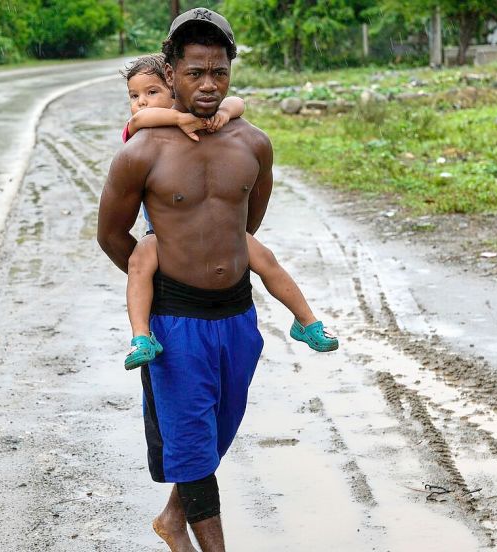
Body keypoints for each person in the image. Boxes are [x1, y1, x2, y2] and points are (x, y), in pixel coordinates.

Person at [98, 8, 321, 551]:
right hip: (176, 325)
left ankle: (173, 519)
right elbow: (110, 235)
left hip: (238, 317)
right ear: (170, 73)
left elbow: (247, 223)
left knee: (218, 432)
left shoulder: (254, 143)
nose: (208, 84)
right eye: (195, 72)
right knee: (194, 447)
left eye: (218, 71)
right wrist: (160, 268)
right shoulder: (141, 152)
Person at [118, 54, 337, 371]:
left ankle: (306, 320)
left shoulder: (206, 122)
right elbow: (138, 121)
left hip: (222, 232)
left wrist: (222, 112)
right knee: (140, 262)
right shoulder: (144, 134)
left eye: (151, 92)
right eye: (134, 96)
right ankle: (141, 336)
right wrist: (178, 120)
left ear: (176, 90)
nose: (141, 103)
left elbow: (238, 101)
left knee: (265, 258)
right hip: (166, 237)